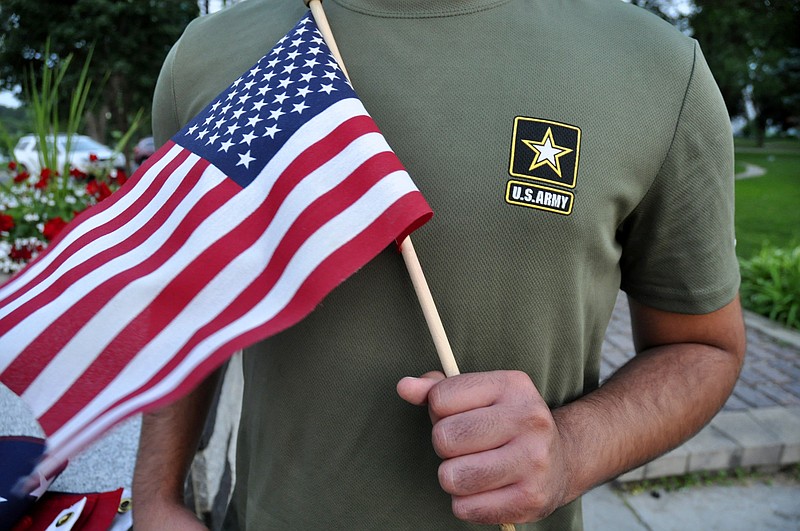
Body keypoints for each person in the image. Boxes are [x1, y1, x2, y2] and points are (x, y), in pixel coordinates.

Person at [132, 0, 746, 529]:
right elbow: (185, 294)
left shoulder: (657, 72)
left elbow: (703, 348)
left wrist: (570, 451)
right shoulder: (208, 57)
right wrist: (158, 497)